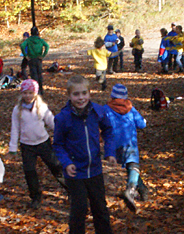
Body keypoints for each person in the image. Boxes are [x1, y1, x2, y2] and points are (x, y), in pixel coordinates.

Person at [54, 75, 116, 234]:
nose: (80, 98)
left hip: (95, 169)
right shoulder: (63, 118)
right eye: (76, 94)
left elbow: (108, 131)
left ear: (89, 93)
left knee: (100, 207)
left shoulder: (97, 111)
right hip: (75, 173)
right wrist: (66, 163)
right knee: (79, 208)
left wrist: (109, 152)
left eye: (84, 93)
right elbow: (58, 144)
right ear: (69, 95)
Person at [9, 79, 67, 209]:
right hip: (27, 145)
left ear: (35, 93)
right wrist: (12, 147)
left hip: (43, 143)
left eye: (30, 93)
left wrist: (63, 136)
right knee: (29, 171)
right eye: (25, 93)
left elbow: (52, 122)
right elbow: (15, 128)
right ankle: (35, 196)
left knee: (56, 167)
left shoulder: (41, 107)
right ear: (21, 94)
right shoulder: (17, 110)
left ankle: (70, 189)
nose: (28, 96)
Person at [105, 84, 148, 212]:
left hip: (114, 145)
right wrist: (144, 121)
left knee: (129, 166)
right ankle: (131, 190)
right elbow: (141, 124)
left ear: (112, 96)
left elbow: (100, 123)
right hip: (129, 141)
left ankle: (143, 189)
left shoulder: (106, 109)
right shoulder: (130, 108)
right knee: (133, 165)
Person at [21, 27, 50, 94]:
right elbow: (47, 46)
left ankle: (36, 90)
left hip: (31, 59)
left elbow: (22, 46)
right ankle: (41, 89)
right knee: (39, 74)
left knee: (34, 75)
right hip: (39, 59)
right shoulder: (40, 40)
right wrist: (43, 55)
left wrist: (25, 55)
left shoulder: (28, 40)